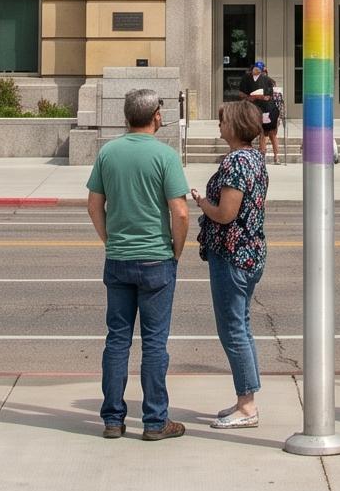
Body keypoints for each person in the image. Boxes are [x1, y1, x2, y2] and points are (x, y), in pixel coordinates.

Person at [85, 86, 187, 440]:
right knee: (155, 344)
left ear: (126, 117)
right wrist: (176, 251)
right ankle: (155, 421)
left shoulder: (108, 153)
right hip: (157, 258)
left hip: (119, 258)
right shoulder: (166, 156)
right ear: (156, 116)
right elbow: (181, 212)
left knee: (117, 340)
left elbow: (94, 204)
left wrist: (109, 240)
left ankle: (113, 419)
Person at [194, 98, 269, 430]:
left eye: (222, 121)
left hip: (233, 254)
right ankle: (246, 398)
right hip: (250, 252)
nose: (219, 126)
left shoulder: (236, 162)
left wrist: (201, 202)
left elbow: (226, 213)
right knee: (242, 325)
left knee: (233, 329)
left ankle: (247, 404)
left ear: (235, 126)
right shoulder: (255, 158)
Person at [244, 60, 282, 163]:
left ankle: (273, 156)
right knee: (266, 134)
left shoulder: (268, 82)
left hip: (270, 111)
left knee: (270, 134)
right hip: (263, 111)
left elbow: (277, 98)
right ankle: (271, 156)